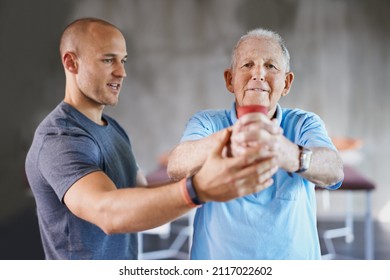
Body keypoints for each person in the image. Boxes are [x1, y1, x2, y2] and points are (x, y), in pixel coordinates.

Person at [25, 18, 279, 260]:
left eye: (123, 60)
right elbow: (108, 213)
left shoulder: (112, 129)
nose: (121, 72)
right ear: (71, 63)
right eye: (108, 60)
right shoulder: (59, 139)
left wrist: (212, 168)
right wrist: (200, 188)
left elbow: (142, 195)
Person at [167, 28, 344, 259]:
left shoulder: (304, 123)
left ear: (287, 82)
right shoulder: (207, 122)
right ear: (230, 80)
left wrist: (288, 153)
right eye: (247, 65)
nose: (258, 74)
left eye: (270, 66)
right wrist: (234, 137)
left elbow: (334, 170)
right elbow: (176, 166)